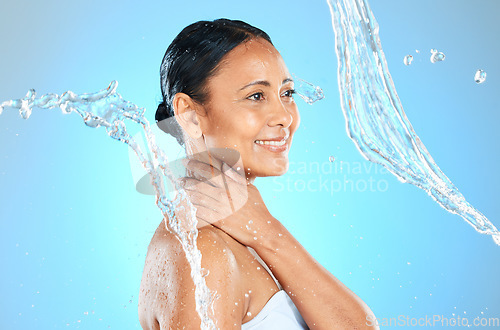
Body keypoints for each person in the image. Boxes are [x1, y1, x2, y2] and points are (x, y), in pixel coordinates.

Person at [138, 18, 377, 329]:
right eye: (256, 96)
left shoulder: (250, 233)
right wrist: (265, 232)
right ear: (190, 116)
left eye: (287, 93)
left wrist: (267, 233)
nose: (284, 117)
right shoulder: (201, 249)